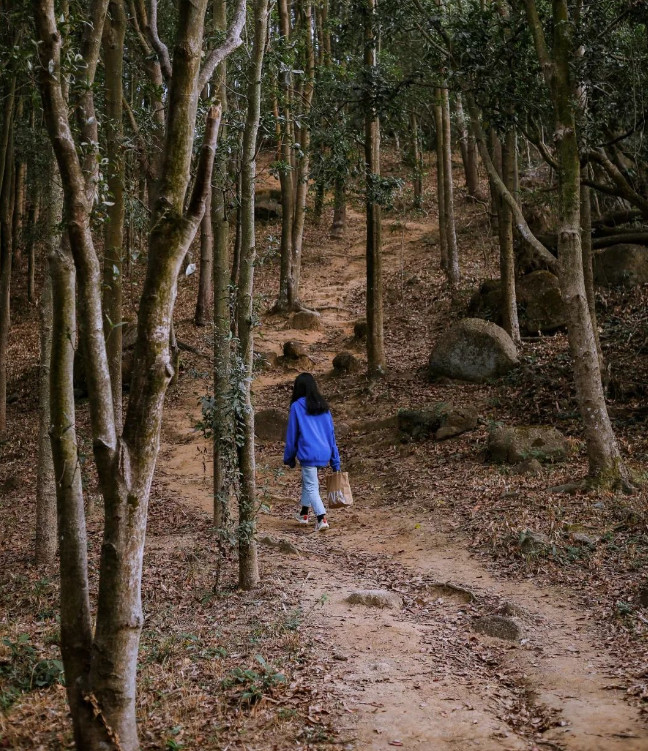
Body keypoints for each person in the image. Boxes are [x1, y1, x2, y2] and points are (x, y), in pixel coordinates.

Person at [283, 373, 341, 532]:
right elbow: (331, 435)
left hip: (308, 452)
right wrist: (335, 461)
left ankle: (321, 518)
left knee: (311, 486)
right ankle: (304, 514)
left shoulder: (296, 407)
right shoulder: (323, 407)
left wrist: (289, 457)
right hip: (324, 452)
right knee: (308, 482)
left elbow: (292, 434)